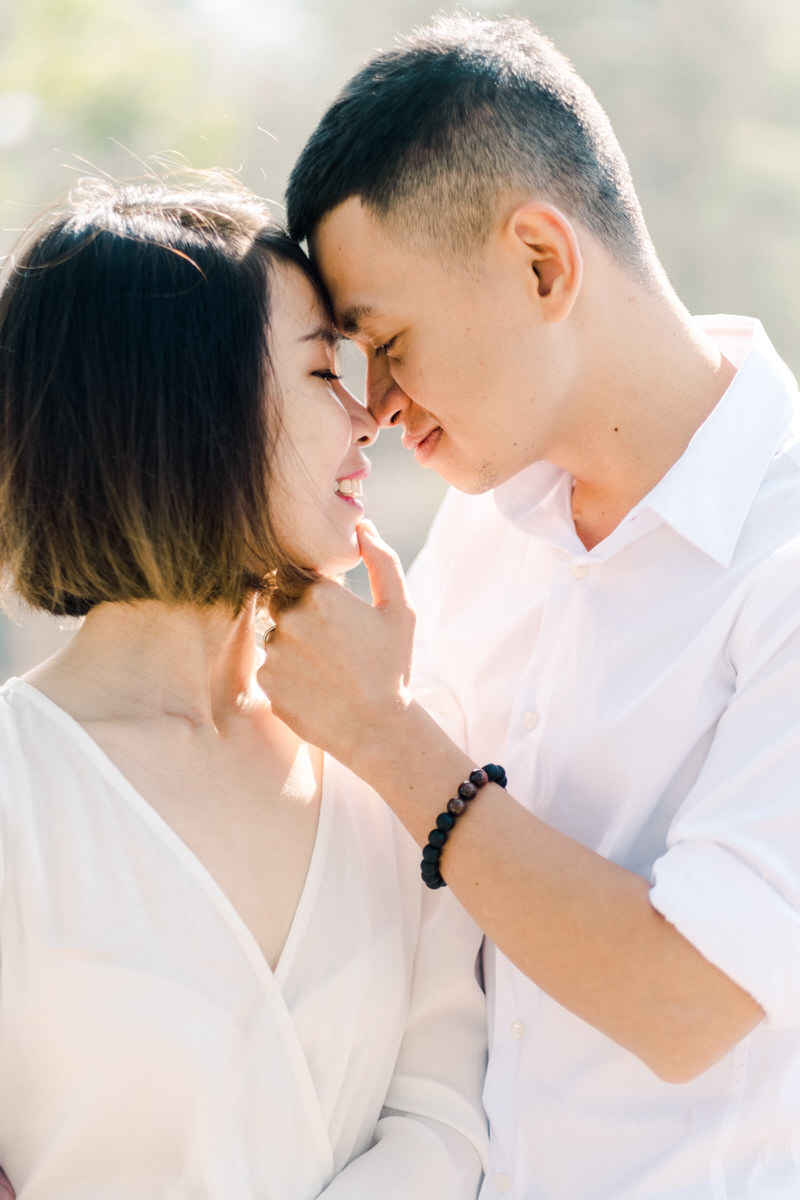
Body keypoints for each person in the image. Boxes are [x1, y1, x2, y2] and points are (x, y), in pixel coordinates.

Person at [259, 13, 800, 1199]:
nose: (382, 405)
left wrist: (386, 737)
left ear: (540, 263)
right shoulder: (478, 528)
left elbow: (687, 999)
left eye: (390, 342)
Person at [0, 173, 488, 1198]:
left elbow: (441, 1119)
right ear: (184, 411)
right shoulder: (17, 787)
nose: (371, 418)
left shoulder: (397, 754)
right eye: (322, 374)